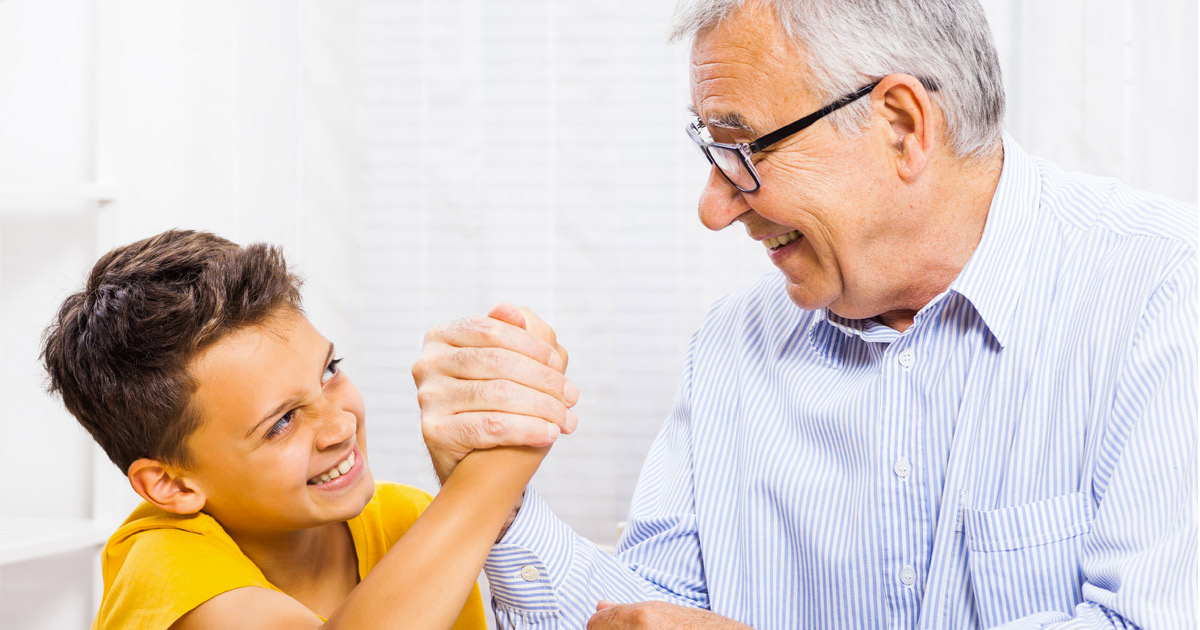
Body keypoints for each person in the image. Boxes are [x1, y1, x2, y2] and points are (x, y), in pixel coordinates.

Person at [412, 0, 1196, 628]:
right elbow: (648, 611)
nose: (715, 208)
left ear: (900, 125)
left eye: (742, 148)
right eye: (709, 151)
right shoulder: (731, 344)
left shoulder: (1163, 293)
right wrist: (494, 499)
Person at [41, 230, 576, 630]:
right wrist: (498, 463)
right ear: (172, 485)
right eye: (281, 422)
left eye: (328, 370)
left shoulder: (405, 522)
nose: (340, 425)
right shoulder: (163, 570)